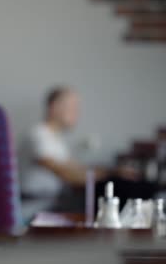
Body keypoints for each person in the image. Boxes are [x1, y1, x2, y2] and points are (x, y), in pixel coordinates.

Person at [19, 86, 139, 215]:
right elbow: (68, 175)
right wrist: (111, 173)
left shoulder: (57, 141)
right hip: (35, 208)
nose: (77, 113)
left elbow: (78, 169)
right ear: (54, 107)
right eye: (72, 108)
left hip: (51, 205)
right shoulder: (38, 135)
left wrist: (115, 171)